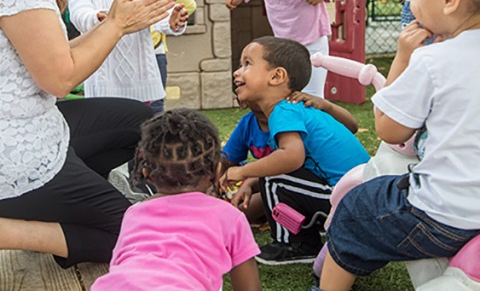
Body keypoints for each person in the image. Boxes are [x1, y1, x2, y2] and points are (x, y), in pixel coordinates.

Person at [0, 0, 177, 267]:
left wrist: (119, 22)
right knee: (127, 239)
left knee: (138, 120)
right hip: (13, 151)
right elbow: (60, 78)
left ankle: (66, 208)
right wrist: (117, 25)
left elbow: (53, 56)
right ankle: (13, 227)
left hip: (35, 123)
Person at [319, 0, 480, 291]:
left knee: (357, 210)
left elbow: (390, 129)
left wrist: (404, 57)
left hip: (443, 216)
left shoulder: (433, 60)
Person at [220, 36, 369, 266]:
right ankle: (313, 230)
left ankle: (293, 244)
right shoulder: (294, 110)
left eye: (247, 64)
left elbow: (291, 157)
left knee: (274, 178)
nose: (237, 72)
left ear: (277, 76)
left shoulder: (283, 111)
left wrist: (242, 173)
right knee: (278, 175)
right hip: (363, 196)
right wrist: (250, 181)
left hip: (350, 199)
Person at [91, 108, 262, 291]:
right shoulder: (230, 216)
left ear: (146, 174)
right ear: (215, 171)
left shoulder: (134, 213)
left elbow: (120, 264)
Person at [221, 93, 358, 223]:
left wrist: (326, 106)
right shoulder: (248, 124)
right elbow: (226, 159)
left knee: (270, 184)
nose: (238, 74)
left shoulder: (293, 111)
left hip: (322, 188)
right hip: (293, 183)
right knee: (262, 188)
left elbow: (352, 126)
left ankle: (289, 242)